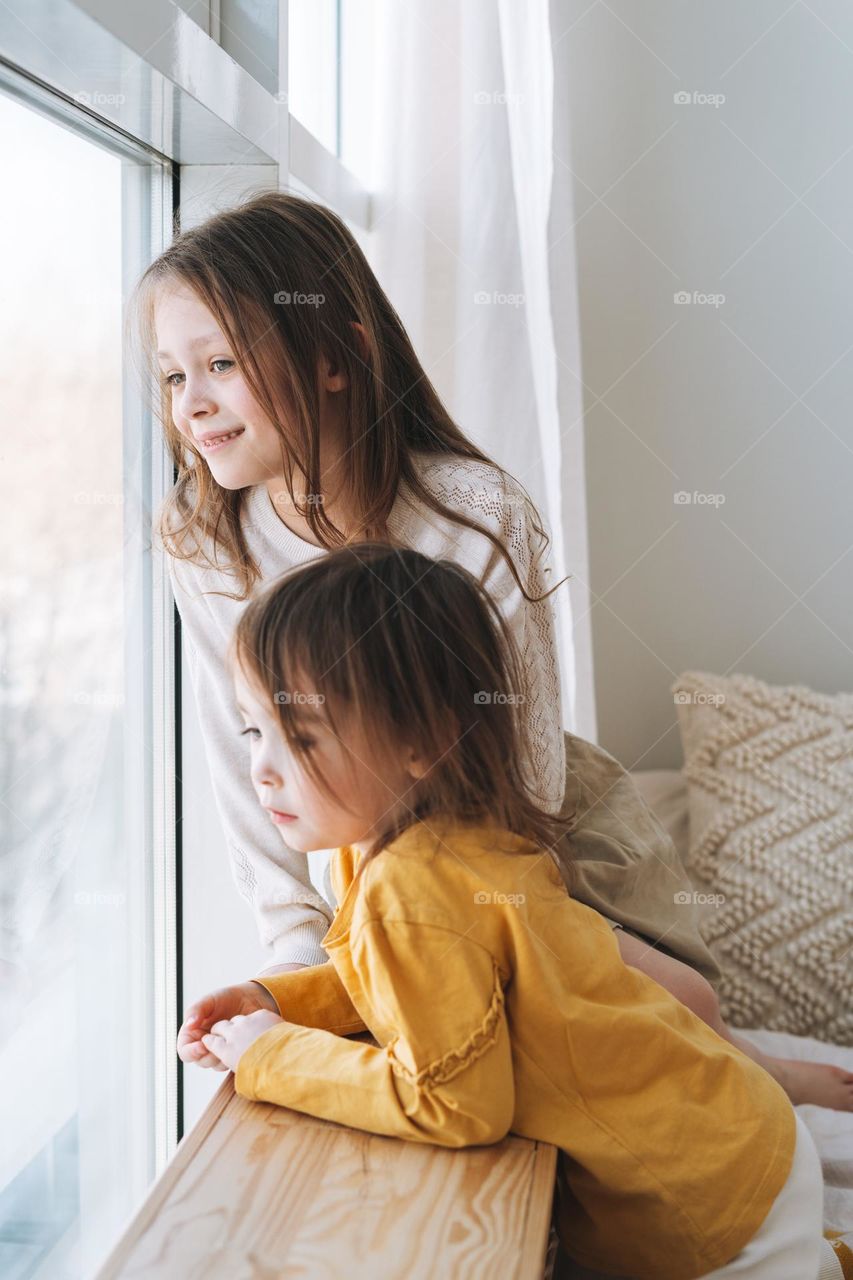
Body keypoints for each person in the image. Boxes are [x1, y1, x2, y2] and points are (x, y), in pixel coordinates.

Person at [134, 188, 852, 1111]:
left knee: (674, 1016)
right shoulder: (205, 539)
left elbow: (529, 771)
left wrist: (460, 923)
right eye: (171, 376)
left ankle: (760, 1070)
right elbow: (243, 761)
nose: (192, 404)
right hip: (363, 846)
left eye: (221, 363)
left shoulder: (469, 514)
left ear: (337, 356)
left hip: (525, 837)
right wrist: (295, 958)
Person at [181, 544, 828, 1280]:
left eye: (298, 737)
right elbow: (402, 975)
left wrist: (269, 1053)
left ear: (418, 742)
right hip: (741, 1136)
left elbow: (453, 1104)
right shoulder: (438, 837)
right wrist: (278, 1001)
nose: (261, 768)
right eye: (252, 731)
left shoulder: (411, 884)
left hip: (710, 1205)